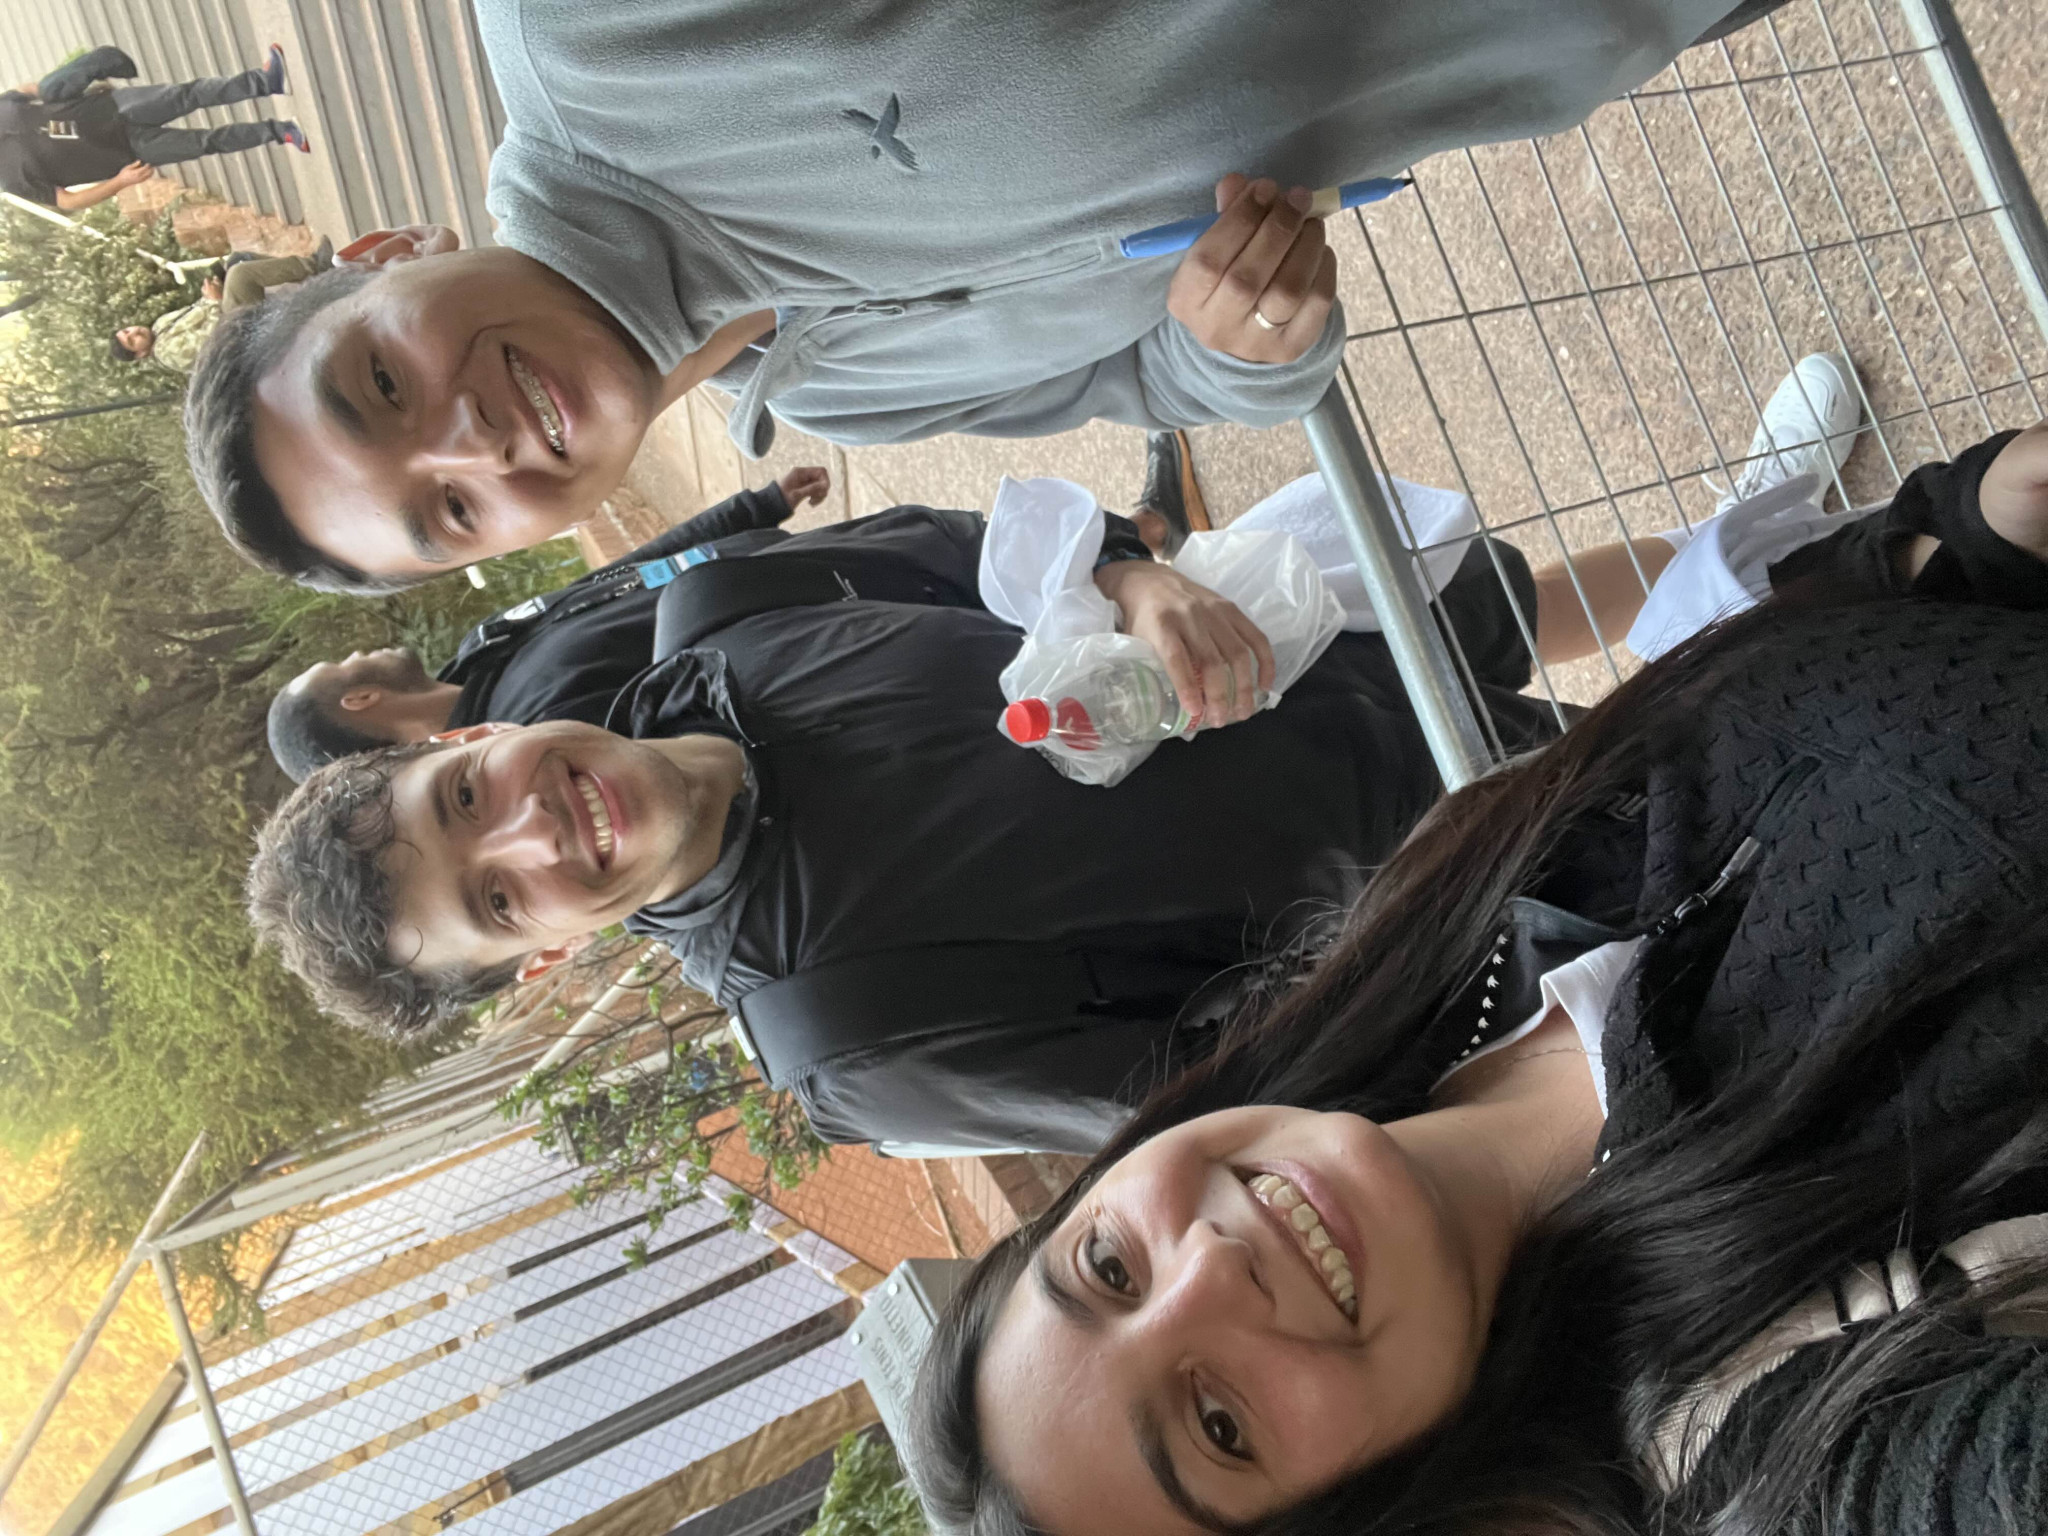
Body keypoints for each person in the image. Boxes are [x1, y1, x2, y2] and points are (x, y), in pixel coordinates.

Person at [907, 422, 2048, 1536]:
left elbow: (1798, 699)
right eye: (1218, 1425)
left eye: (1109, 1265)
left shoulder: (1437, 911)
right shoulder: (1760, 1428)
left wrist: (1962, 536)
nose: (1207, 1268)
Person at [243, 478, 1679, 1147]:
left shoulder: (720, 610)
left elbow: (967, 553)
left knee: (1612, 596)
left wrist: (1134, 579)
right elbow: (1242, 1088)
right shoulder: (847, 1033)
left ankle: (1753, 544)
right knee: (1740, 720)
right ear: (541, 957)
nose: (534, 831)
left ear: (475, 735)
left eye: (467, 796)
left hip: (1346, 645)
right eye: (497, 898)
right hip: (1546, 885)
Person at [185, 0, 1781, 589]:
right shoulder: (837, 397)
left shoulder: (595, 35)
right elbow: (1163, 387)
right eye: (450, 511)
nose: (469, 440)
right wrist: (1252, 348)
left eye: (380, 385)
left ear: (376, 256)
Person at [266, 467, 827, 779]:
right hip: (829, 615)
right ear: (360, 699)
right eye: (339, 666)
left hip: (806, 556)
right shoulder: (538, 740)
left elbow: (622, 577)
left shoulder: (481, 650)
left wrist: (755, 508)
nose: (355, 654)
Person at [1, 45, 307, 214]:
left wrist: (63, 85)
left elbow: (26, 91)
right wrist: (120, 182)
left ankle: (266, 81)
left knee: (188, 94)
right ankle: (281, 132)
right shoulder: (9, 180)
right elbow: (66, 201)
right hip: (127, 151)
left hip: (112, 107)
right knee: (205, 142)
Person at [112, 245, 333, 373]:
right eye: (131, 341)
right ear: (140, 354)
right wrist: (214, 300)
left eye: (128, 331)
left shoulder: (160, 325)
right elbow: (214, 338)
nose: (135, 332)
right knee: (240, 275)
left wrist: (210, 290)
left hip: (226, 314)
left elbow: (197, 310)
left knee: (237, 260)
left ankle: (310, 276)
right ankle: (314, 266)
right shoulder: (168, 354)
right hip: (237, 333)